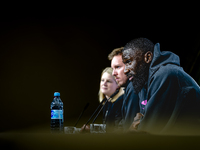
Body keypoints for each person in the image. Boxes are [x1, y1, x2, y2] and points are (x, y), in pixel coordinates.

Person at [122, 37, 200, 135]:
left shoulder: (165, 74)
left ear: (148, 57)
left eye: (129, 62)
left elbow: (147, 131)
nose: (125, 70)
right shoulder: (143, 82)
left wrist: (138, 126)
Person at [81, 67, 124, 133]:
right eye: (102, 80)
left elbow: (119, 131)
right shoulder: (106, 103)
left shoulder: (120, 102)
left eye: (108, 81)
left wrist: (92, 130)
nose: (104, 83)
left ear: (118, 84)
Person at [108, 47, 140, 131]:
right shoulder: (129, 88)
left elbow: (127, 130)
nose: (113, 73)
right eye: (112, 69)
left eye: (118, 67)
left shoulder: (133, 88)